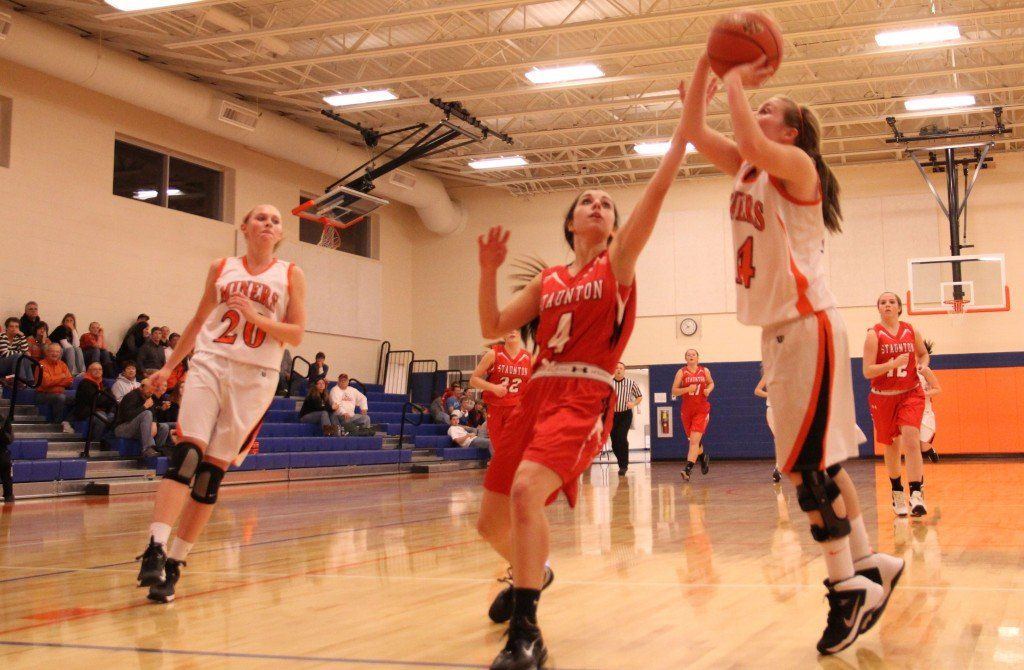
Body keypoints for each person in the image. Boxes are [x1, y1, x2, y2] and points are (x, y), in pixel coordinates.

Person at [682, 53, 903, 654]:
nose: (756, 111)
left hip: (807, 325)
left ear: (793, 131)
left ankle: (845, 589)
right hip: (780, 330)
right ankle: (868, 564)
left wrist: (731, 76)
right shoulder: (749, 169)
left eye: (768, 108)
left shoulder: (797, 166)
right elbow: (700, 131)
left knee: (805, 469)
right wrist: (708, 69)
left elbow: (743, 134)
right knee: (822, 464)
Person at [477, 80, 690, 669]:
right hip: (534, 395)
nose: (596, 205)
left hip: (582, 393)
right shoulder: (548, 279)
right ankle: (535, 572)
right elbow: (492, 322)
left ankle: (527, 634)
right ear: (570, 221)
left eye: (606, 203)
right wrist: (488, 269)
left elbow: (659, 189)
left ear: (614, 227)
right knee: (489, 521)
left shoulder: (616, 263)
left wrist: (683, 131)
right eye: (586, 201)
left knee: (525, 493)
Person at [133, 204, 307, 604]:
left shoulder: (291, 274)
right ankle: (156, 547)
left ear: (280, 234)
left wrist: (258, 319)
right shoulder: (222, 267)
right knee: (187, 456)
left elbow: (296, 334)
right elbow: (198, 321)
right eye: (260, 217)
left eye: (276, 220)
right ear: (244, 227)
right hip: (210, 364)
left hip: (256, 377)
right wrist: (168, 368)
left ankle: (175, 564)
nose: (268, 223)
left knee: (210, 476)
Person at [470, 330, 534, 625]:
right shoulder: (493, 354)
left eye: (516, 327)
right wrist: (492, 389)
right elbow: (473, 380)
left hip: (520, 411)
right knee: (503, 458)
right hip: (498, 410)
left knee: (517, 458)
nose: (511, 331)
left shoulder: (528, 358)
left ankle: (517, 503)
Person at [864, 292, 931, 517]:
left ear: (899, 308)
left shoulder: (911, 330)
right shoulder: (874, 335)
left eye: (892, 302)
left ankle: (916, 494)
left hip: (910, 393)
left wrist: (921, 366)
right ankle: (897, 492)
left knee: (911, 438)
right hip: (883, 396)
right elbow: (867, 371)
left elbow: (923, 354)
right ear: (879, 309)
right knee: (891, 446)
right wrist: (891, 363)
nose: (887, 305)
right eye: (883, 302)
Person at [671, 349, 714, 482]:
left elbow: (711, 383)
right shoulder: (681, 372)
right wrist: (687, 389)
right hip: (687, 411)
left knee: (694, 441)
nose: (691, 356)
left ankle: (687, 469)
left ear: (697, 358)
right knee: (694, 440)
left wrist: (708, 389)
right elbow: (674, 391)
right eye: (688, 355)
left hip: (701, 410)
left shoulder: (704, 371)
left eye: (693, 354)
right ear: (685, 358)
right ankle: (703, 457)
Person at [113, 377, 171, 459]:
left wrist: (154, 422)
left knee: (164, 427)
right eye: (149, 389)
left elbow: (153, 414)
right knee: (146, 413)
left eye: (152, 389)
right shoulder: (132, 396)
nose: (151, 392)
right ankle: (147, 449)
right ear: (141, 387)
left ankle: (156, 450)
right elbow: (127, 416)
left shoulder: (148, 397)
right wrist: (144, 406)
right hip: (122, 428)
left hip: (139, 428)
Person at [610, 362, 643, 477]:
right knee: (614, 441)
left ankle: (624, 465)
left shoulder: (630, 383)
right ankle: (621, 461)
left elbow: (639, 396)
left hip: (625, 414)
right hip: (611, 415)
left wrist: (633, 403)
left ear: (624, 371)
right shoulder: (608, 383)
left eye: (621, 368)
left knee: (621, 437)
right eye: (616, 368)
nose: (618, 370)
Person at [68, 362, 116, 439]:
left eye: (100, 369)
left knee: (114, 417)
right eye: (95, 369)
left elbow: (112, 399)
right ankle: (94, 442)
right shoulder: (85, 383)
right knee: (102, 419)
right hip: (87, 411)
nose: (98, 371)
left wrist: (104, 399)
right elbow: (94, 400)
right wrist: (105, 399)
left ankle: (106, 441)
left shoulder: (103, 383)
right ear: (89, 371)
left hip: (102, 410)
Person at [36, 343, 74, 433]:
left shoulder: (62, 364)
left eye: (57, 352)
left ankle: (67, 422)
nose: (55, 354)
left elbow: (69, 381)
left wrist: (54, 380)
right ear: (47, 352)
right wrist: (61, 376)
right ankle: (56, 425)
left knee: (80, 399)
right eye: (52, 351)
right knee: (60, 398)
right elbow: (46, 383)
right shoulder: (41, 365)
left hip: (59, 393)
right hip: (43, 394)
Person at [755, 372, 782, 483]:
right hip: (772, 409)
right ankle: (778, 467)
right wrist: (769, 395)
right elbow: (757, 391)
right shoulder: (769, 374)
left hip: (787, 409)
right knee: (779, 439)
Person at [918, 341, 941, 463]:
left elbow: (938, 389)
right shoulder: (904, 371)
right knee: (912, 447)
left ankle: (929, 450)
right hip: (910, 411)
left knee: (923, 446)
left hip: (925, 412)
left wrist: (922, 394)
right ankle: (916, 480)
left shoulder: (925, 371)